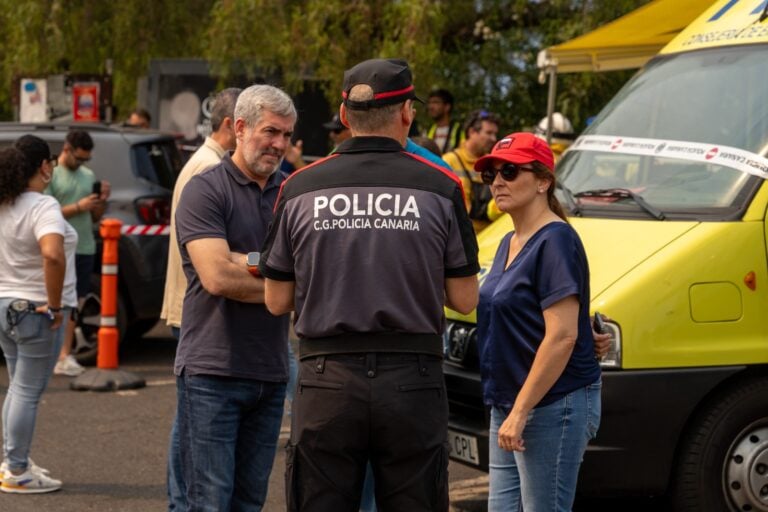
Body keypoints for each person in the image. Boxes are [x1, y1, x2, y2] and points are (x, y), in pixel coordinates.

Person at [260, 58, 479, 511]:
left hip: (326, 380)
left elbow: (277, 299)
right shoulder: (440, 186)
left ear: (344, 116)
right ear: (407, 113)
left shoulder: (299, 188)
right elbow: (463, 298)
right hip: (413, 379)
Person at [172, 84, 295, 511]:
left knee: (249, 503)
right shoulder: (205, 189)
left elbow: (310, 268)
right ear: (239, 128)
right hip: (212, 372)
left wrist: (248, 260)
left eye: (286, 135)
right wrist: (282, 282)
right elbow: (217, 277)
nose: (279, 144)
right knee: (207, 502)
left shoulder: (292, 194)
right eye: (270, 132)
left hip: (271, 372)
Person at [473, 132, 601, 511]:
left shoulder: (556, 240)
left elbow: (561, 336)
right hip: (510, 404)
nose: (497, 181)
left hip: (547, 406)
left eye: (510, 171)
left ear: (543, 181)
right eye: (491, 174)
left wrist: (521, 412)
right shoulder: (507, 241)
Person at [159, 86, 241, 511]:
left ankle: (182, 499)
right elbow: (217, 264)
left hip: (191, 303)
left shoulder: (208, 163)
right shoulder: (209, 169)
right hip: (198, 307)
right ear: (232, 125)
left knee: (190, 420)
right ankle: (182, 501)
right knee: (194, 422)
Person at [0, 138, 77, 494]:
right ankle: (16, 470)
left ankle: (15, 462)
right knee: (27, 393)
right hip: (36, 310)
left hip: (6, 307)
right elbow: (52, 255)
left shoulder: (6, 203)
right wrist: (56, 304)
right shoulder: (43, 206)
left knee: (18, 389)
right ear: (45, 166)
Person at [46, 130, 110, 377]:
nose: (82, 164)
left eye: (86, 160)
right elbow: (45, 213)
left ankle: (65, 354)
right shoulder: (52, 175)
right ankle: (56, 354)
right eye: (79, 158)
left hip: (84, 245)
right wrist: (78, 206)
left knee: (75, 302)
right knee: (57, 301)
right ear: (67, 149)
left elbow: (95, 216)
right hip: (58, 246)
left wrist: (100, 202)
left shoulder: (88, 175)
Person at [443, 110, 501, 232]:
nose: (493, 138)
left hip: (490, 238)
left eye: (495, 134)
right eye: (489, 133)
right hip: (460, 238)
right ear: (472, 132)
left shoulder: (493, 164)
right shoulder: (449, 161)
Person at [425, 89, 464, 153]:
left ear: (447, 107)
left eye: (436, 102)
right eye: (430, 103)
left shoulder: (459, 130)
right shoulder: (429, 130)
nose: (431, 107)